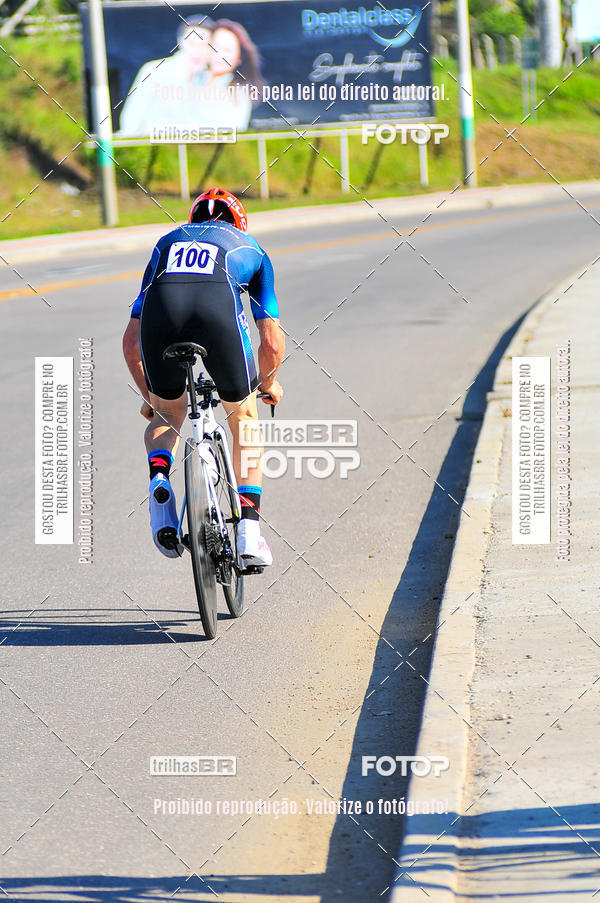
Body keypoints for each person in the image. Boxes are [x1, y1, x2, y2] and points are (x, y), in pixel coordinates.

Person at [122, 187, 285, 567]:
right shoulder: (251, 249)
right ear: (239, 223)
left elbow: (131, 342)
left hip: (163, 317)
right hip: (217, 314)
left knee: (168, 414)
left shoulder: (167, 242)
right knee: (243, 419)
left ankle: (160, 481)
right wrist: (268, 383)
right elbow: (272, 342)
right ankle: (248, 530)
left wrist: (152, 400)